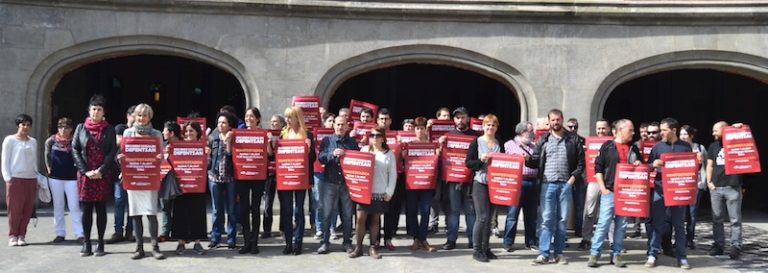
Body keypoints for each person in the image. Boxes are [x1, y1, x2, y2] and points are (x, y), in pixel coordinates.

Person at [527, 109, 585, 265]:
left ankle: (558, 253)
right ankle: (544, 253)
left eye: (558, 119)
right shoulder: (543, 140)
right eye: (552, 120)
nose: (555, 122)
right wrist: (527, 159)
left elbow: (581, 164)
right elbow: (535, 161)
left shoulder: (573, 139)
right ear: (549, 121)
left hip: (565, 184)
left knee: (562, 220)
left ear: (562, 119)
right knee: (546, 220)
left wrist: (571, 181)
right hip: (547, 184)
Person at [587, 119, 642, 268]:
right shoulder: (607, 146)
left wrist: (638, 164)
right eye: (630, 129)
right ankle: (595, 253)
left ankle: (616, 254)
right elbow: (597, 168)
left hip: (626, 193)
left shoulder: (634, 148)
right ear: (619, 130)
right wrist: (603, 188)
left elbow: (641, 168)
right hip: (610, 191)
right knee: (604, 223)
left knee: (621, 225)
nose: (633, 132)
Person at [72, 95, 118, 257]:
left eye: (99, 109)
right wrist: (85, 171)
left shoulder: (109, 129)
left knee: (101, 209)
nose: (96, 112)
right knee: (86, 210)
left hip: (102, 175)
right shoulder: (80, 128)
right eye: (94, 109)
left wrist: (101, 170)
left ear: (103, 112)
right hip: (86, 175)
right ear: (89, 110)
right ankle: (86, 243)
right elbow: (75, 149)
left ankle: (100, 243)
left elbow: (112, 151)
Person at [118, 104, 165, 260]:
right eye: (139, 115)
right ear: (135, 116)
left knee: (151, 213)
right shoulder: (128, 132)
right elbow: (123, 153)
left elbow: (162, 155)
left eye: (145, 115)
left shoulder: (157, 134)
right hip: (133, 178)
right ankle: (139, 248)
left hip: (150, 178)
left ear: (150, 117)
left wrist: (160, 158)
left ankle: (155, 247)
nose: (141, 118)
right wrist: (121, 159)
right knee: (136, 213)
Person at [645, 118, 692, 269]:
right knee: (657, 224)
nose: (661, 133)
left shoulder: (685, 147)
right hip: (660, 190)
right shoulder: (657, 147)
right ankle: (652, 255)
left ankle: (682, 257)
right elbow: (648, 167)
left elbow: (690, 170)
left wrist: (698, 162)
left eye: (664, 130)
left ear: (673, 130)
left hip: (678, 191)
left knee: (678, 225)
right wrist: (653, 164)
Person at [349, 126, 397, 259]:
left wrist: (389, 191)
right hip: (364, 192)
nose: (374, 138)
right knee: (360, 219)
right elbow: (355, 167)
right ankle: (358, 247)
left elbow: (392, 174)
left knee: (375, 220)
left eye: (377, 135)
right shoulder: (364, 150)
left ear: (383, 138)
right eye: (372, 135)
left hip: (379, 191)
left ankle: (372, 248)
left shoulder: (389, 154)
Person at [277, 106, 317, 255]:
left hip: (301, 178)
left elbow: (313, 159)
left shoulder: (307, 135)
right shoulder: (283, 134)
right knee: (286, 210)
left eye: (290, 117)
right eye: (286, 117)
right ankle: (288, 242)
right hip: (286, 177)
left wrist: (309, 148)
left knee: (299, 211)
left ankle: (298, 243)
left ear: (297, 118)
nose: (287, 120)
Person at [317, 116, 359, 254]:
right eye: (338, 124)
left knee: (347, 215)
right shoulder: (327, 140)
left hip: (347, 183)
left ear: (347, 126)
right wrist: (331, 154)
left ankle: (347, 242)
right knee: (327, 214)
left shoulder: (352, 142)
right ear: (333, 126)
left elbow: (358, 160)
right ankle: (324, 243)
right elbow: (320, 158)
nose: (340, 127)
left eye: (343, 125)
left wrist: (347, 154)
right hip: (330, 181)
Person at [440, 107, 480, 250]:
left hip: (470, 180)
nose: (460, 120)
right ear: (454, 120)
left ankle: (472, 239)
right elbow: (440, 158)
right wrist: (440, 145)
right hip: (453, 180)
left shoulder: (476, 137)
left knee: (471, 211)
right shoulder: (448, 136)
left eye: (463, 117)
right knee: (453, 210)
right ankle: (451, 240)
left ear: (468, 119)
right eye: (457, 117)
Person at [466, 114, 504, 262]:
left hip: (494, 183)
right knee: (481, 217)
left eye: (493, 125)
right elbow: (468, 163)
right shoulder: (476, 142)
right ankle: (477, 250)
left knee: (489, 220)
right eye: (488, 125)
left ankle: (486, 248)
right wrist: (480, 160)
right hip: (480, 183)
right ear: (483, 126)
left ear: (496, 127)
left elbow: (505, 161)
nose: (490, 127)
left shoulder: (499, 142)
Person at [706, 121, 744, 260]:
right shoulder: (713, 146)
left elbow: (745, 138)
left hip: (732, 186)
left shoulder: (735, 142)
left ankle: (736, 246)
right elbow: (709, 165)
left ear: (724, 129)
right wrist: (709, 182)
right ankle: (718, 245)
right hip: (716, 187)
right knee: (717, 219)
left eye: (715, 130)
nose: (713, 133)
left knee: (735, 219)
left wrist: (737, 127)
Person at [170, 121, 208, 255]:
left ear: (198, 132)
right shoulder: (177, 146)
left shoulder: (204, 147)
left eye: (191, 131)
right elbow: (169, 163)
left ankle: (197, 243)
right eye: (186, 131)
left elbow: (207, 165)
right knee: (180, 213)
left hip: (197, 185)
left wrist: (207, 155)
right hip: (181, 185)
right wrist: (168, 152)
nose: (188, 133)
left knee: (197, 213)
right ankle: (181, 243)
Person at [45, 117, 84, 243]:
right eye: (61, 127)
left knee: (74, 206)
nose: (63, 130)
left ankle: (79, 233)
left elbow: (81, 156)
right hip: (56, 177)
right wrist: (49, 169)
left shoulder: (75, 141)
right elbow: (47, 156)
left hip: (72, 177)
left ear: (71, 129)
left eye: (66, 127)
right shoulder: (51, 141)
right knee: (58, 205)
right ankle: (60, 233)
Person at [2, 114, 39, 247]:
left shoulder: (33, 141)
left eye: (28, 125)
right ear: (18, 125)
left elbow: (34, 160)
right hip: (15, 179)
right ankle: (13, 235)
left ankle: (22, 235)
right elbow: (5, 161)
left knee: (27, 209)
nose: (26, 127)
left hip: (30, 178)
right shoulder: (10, 140)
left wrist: (37, 177)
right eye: (23, 124)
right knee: (15, 209)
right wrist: (8, 178)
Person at [404, 117, 439, 253]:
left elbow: (438, 159)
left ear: (426, 130)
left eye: (422, 128)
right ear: (414, 130)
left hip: (427, 183)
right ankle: (415, 239)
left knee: (425, 211)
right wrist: (403, 153)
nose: (419, 131)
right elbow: (402, 158)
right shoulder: (408, 144)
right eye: (417, 128)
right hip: (412, 182)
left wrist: (438, 153)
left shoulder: (432, 145)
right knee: (412, 211)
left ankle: (423, 239)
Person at [502, 122, 539, 252]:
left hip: (533, 182)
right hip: (517, 182)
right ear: (521, 131)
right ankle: (508, 242)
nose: (532, 133)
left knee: (531, 215)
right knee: (512, 214)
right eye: (530, 130)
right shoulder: (509, 145)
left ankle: (531, 242)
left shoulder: (535, 146)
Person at [236, 107, 268, 255]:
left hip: (258, 175)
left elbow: (270, 154)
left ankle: (254, 242)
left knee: (255, 209)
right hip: (242, 175)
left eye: (251, 116)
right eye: (247, 116)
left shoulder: (263, 134)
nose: (249, 119)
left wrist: (267, 142)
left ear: (258, 119)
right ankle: (246, 241)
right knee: (243, 209)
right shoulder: (238, 134)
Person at [578, 118, 612, 250]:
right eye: (598, 128)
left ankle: (612, 241)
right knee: (589, 211)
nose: (601, 131)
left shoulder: (613, 143)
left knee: (611, 212)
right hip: (593, 181)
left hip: (609, 182)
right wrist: (584, 150)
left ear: (608, 129)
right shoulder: (590, 142)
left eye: (603, 128)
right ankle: (586, 238)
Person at [207, 111, 239, 249]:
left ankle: (231, 238)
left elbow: (231, 155)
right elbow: (208, 159)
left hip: (231, 177)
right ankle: (215, 237)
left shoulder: (235, 137)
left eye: (223, 122)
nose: (220, 125)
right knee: (216, 209)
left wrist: (228, 142)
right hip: (214, 177)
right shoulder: (212, 138)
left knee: (231, 209)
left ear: (230, 124)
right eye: (219, 122)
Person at [107, 105, 135, 244]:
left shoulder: (141, 131)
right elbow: (118, 142)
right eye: (133, 115)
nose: (136, 118)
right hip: (119, 172)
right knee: (119, 202)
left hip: (134, 172)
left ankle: (130, 231)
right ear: (128, 116)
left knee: (132, 204)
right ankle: (118, 231)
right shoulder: (120, 128)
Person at [680, 125, 707, 250]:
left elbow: (707, 166)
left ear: (691, 135)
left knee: (692, 214)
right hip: (680, 186)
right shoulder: (677, 148)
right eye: (681, 134)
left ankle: (689, 239)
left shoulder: (700, 148)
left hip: (695, 186)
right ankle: (680, 239)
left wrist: (705, 183)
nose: (683, 137)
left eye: (685, 134)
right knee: (679, 215)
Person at [313, 112, 339, 241]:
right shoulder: (316, 133)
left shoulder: (337, 137)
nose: (332, 122)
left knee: (333, 203)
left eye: (334, 120)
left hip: (332, 172)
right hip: (318, 171)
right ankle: (319, 228)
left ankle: (332, 228)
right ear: (324, 123)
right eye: (329, 120)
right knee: (319, 202)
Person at [262, 114, 286, 238]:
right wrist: (269, 142)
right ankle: (267, 230)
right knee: (268, 203)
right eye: (272, 122)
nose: (273, 124)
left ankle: (283, 228)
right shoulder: (268, 135)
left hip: (282, 172)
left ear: (282, 123)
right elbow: (269, 155)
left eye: (276, 122)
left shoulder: (286, 135)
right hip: (270, 173)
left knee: (284, 202)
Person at [158, 121, 181, 242]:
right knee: (165, 207)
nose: (162, 132)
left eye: (165, 130)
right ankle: (165, 231)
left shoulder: (184, 146)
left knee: (180, 207)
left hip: (180, 181)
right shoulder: (162, 146)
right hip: (164, 180)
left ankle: (179, 232)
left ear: (171, 133)